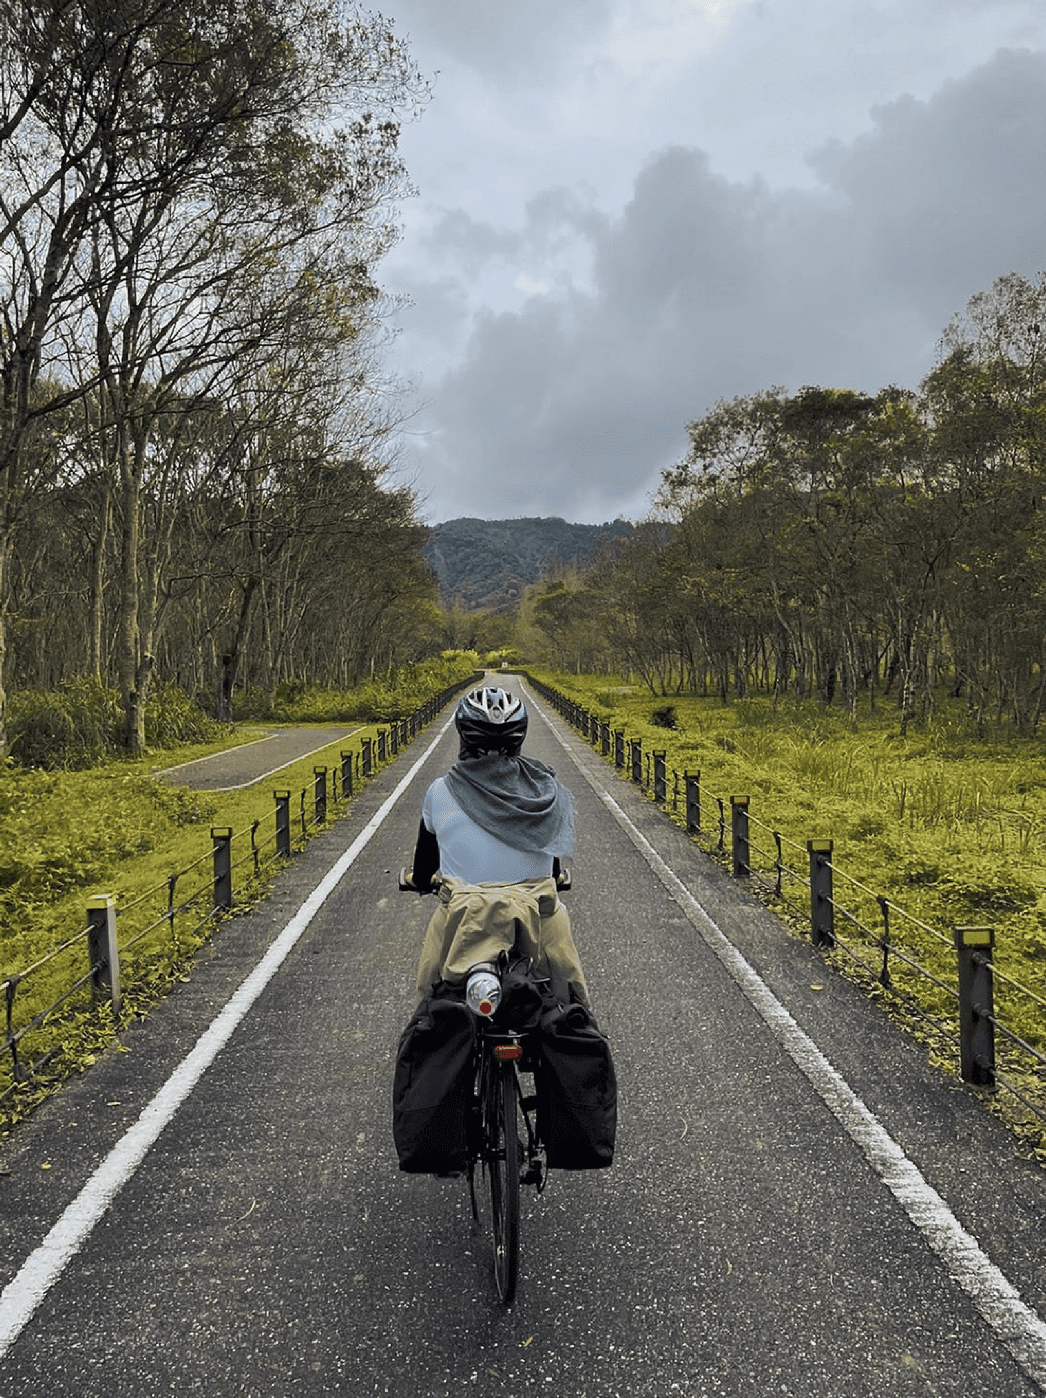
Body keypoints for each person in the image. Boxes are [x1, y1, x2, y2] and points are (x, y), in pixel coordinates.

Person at [407, 684, 590, 1008]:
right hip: (538, 915)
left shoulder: (438, 792)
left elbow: (424, 869)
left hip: (461, 918)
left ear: (464, 735)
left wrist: (420, 881)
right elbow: (552, 864)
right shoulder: (545, 790)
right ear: (518, 737)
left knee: (429, 1001)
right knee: (573, 1004)